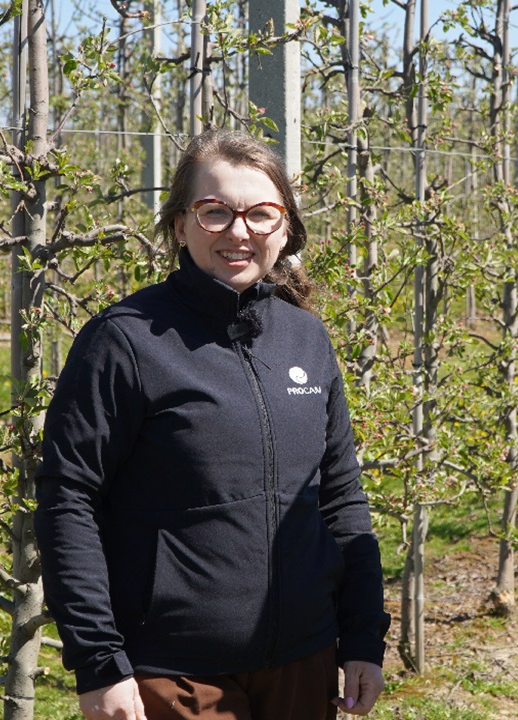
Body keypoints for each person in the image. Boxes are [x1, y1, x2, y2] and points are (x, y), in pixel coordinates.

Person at [36, 129, 390, 720]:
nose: (238, 230)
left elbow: (341, 498)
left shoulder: (305, 337)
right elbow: (69, 500)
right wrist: (99, 664)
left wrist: (361, 639)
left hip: (303, 663)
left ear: (285, 228)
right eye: (214, 212)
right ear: (180, 225)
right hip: (175, 673)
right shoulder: (125, 340)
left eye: (260, 213)